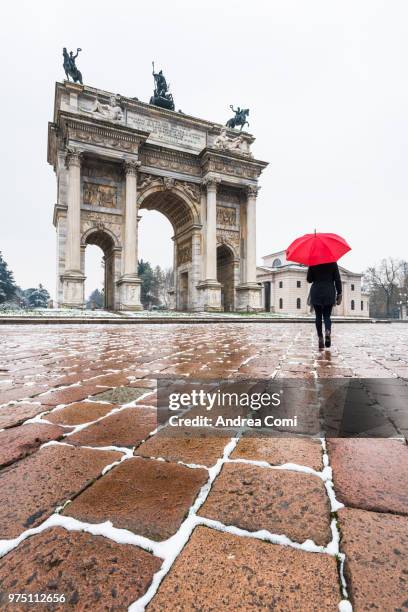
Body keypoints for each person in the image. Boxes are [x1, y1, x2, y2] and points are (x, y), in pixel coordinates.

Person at [307, 262, 342, 349]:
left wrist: (310, 269)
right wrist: (339, 293)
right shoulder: (333, 263)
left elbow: (309, 279)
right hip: (329, 292)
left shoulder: (313, 263)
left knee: (318, 316)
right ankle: (327, 331)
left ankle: (320, 338)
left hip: (316, 291)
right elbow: (337, 279)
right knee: (327, 316)